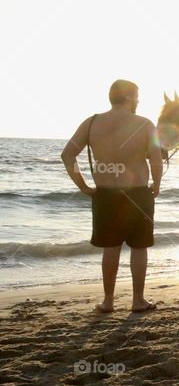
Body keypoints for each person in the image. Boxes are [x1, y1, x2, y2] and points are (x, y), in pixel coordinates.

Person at [60, 80, 163, 313]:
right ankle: (138, 300)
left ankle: (108, 301)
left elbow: (67, 155)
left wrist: (83, 185)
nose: (138, 100)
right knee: (139, 248)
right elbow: (155, 159)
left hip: (105, 195)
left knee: (111, 248)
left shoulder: (92, 122)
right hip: (138, 193)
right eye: (137, 96)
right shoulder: (145, 124)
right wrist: (157, 184)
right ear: (128, 97)